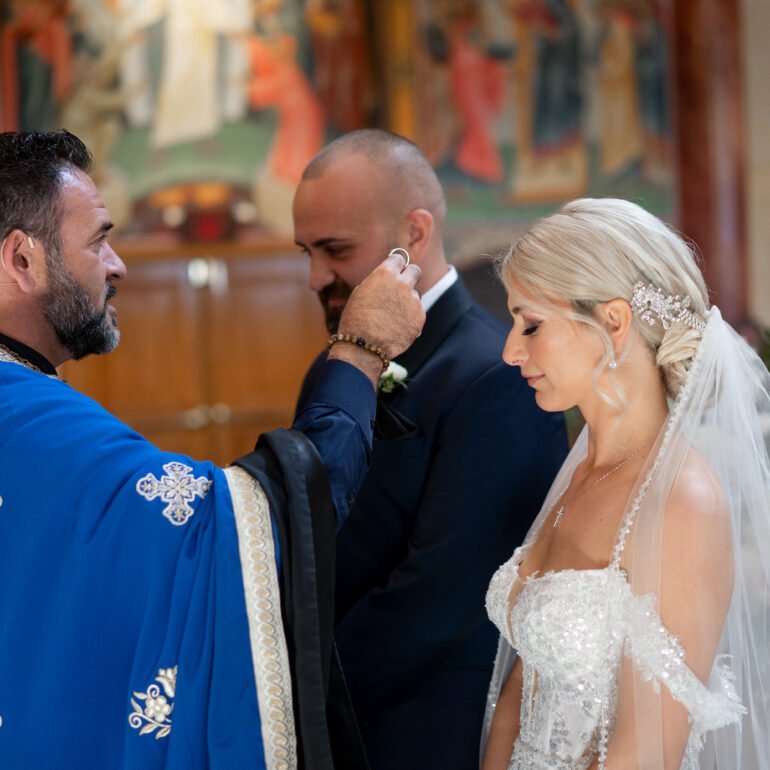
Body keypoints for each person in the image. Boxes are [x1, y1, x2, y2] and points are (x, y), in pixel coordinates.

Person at [0, 129, 425, 769]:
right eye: (97, 241)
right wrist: (360, 349)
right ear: (22, 259)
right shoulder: (26, 415)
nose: (117, 265)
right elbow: (253, 525)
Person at [292, 129, 567, 770]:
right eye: (307, 252)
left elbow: (444, 597)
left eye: (336, 249)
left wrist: (302, 698)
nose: (315, 276)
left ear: (414, 233)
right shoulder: (336, 366)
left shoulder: (498, 376)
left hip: (422, 733)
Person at [482, 198, 770, 770]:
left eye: (531, 324)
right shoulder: (582, 471)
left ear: (614, 323)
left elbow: (648, 750)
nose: (510, 351)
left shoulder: (682, 499)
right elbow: (524, 677)